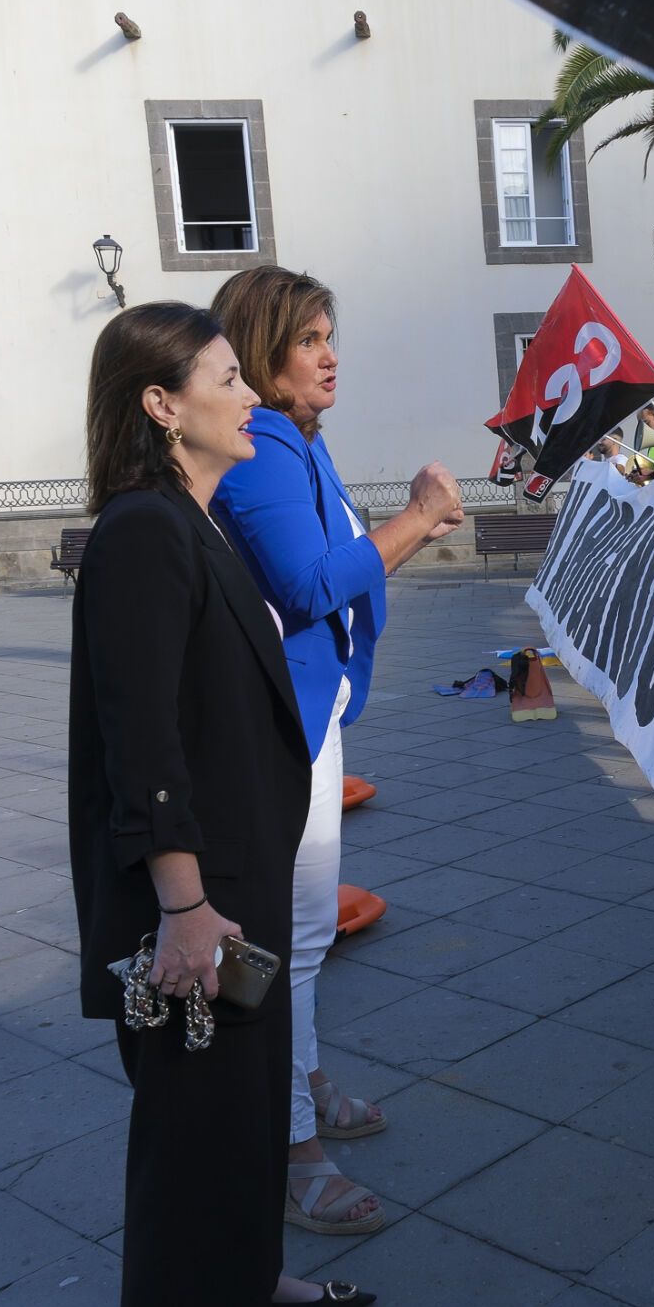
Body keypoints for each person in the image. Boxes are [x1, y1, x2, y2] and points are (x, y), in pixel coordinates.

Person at [70, 301, 371, 1306]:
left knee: (242, 1107)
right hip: (200, 904)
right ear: (161, 404)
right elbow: (140, 736)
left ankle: (251, 1277)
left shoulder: (191, 521)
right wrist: (184, 907)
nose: (251, 398)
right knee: (193, 1131)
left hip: (237, 882)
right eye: (226, 379)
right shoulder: (143, 533)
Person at [209, 266, 463, 1239]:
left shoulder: (294, 439)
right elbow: (308, 582)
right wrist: (421, 515)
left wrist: (401, 515)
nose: (331, 354)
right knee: (289, 934)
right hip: (282, 720)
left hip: (309, 711)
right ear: (264, 347)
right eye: (309, 337)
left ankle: (302, 1087)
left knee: (303, 932)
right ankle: (288, 1147)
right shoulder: (268, 442)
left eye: (330, 334)